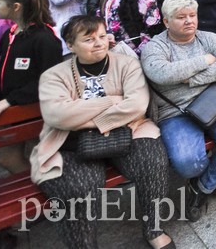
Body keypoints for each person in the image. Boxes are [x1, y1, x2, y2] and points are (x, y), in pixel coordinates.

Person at [31, 16, 172, 249]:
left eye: (101, 36)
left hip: (129, 130)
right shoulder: (54, 75)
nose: (98, 43)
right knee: (80, 188)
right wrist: (113, 101)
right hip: (71, 141)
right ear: (71, 45)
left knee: (153, 162)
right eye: (88, 39)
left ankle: (154, 229)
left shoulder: (127, 64)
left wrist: (85, 117)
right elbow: (58, 115)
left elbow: (137, 105)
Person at [140, 0, 216, 222]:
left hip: (214, 101)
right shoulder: (155, 47)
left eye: (192, 15)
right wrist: (204, 61)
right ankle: (210, 175)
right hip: (175, 112)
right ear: (166, 21)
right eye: (181, 17)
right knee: (187, 163)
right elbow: (161, 73)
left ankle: (203, 186)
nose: (189, 21)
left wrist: (188, 79)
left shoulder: (208, 38)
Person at [0, 0, 63, 173]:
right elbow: (1, 73)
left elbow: (48, 81)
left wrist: (9, 100)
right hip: (12, 111)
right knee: (7, 158)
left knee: (37, 158)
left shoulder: (44, 38)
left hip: (34, 112)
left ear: (16, 7)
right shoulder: (10, 34)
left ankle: (48, 188)